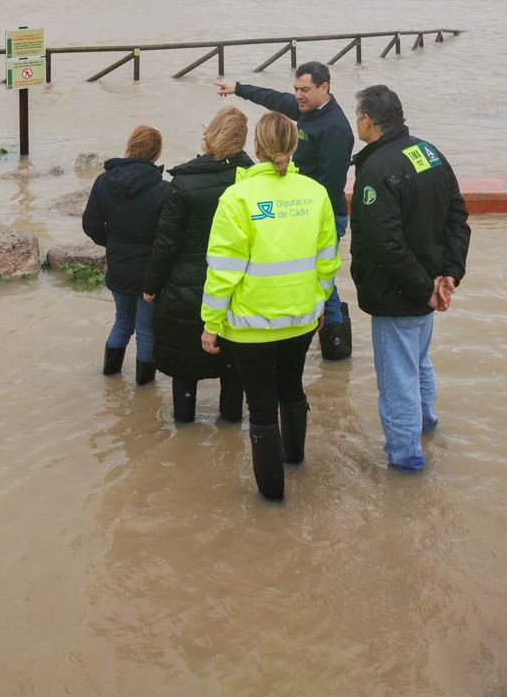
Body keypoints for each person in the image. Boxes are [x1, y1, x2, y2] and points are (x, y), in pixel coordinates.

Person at [200, 112, 340, 500]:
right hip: (299, 319)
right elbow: (328, 259)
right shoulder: (315, 193)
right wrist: (319, 304)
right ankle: (295, 459)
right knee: (292, 389)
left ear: (256, 147)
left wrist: (210, 323)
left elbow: (223, 269)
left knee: (260, 408)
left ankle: (273, 500)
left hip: (248, 326)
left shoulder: (237, 197)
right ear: (294, 146)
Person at [346, 84, 470, 472]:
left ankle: (405, 459)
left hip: (399, 294)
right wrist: (449, 274)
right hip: (429, 285)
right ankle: (427, 425)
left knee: (398, 380)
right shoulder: (428, 152)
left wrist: (428, 288)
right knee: (418, 364)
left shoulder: (376, 169)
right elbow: (457, 217)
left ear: (367, 120)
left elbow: (385, 244)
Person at [214, 62, 355, 361]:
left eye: (304, 90)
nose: (298, 96)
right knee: (311, 273)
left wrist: (301, 207)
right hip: (302, 203)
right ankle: (318, 334)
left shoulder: (336, 128)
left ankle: (337, 346)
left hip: (323, 211)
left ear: (324, 87)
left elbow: (331, 184)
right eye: (296, 89)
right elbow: (276, 100)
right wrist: (239, 89)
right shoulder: (307, 109)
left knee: (321, 274)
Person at [141, 107, 253, 423]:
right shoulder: (252, 182)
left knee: (184, 366)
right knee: (234, 368)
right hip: (238, 286)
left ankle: (184, 434)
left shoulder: (183, 184)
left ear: (210, 136)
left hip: (185, 287)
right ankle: (231, 427)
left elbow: (166, 243)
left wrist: (151, 285)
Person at [82, 125, 167, 384]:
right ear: (157, 153)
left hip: (118, 265)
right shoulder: (162, 189)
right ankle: (144, 392)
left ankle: (110, 377)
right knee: (146, 331)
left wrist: (112, 243)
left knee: (122, 322)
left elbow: (90, 224)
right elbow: (167, 237)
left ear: (129, 146)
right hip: (149, 272)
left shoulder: (104, 181)